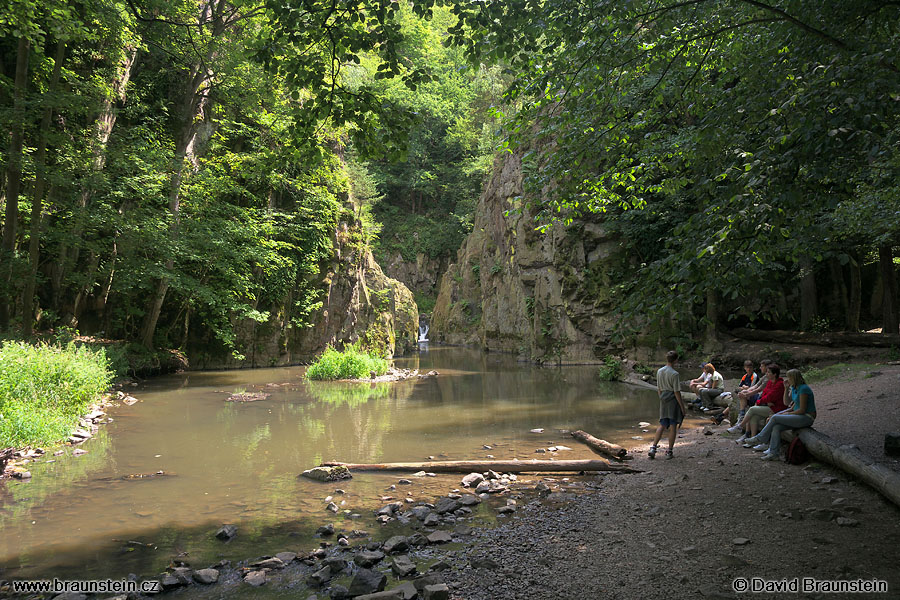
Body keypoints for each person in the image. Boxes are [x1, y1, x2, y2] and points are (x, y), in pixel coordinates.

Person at [744, 369, 816, 460]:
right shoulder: (794, 388)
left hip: (807, 417)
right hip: (797, 416)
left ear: (794, 378)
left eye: (789, 378)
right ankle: (774, 453)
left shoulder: (803, 389)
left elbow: (802, 410)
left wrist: (786, 414)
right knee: (776, 427)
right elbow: (787, 404)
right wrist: (786, 389)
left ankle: (759, 438)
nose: (787, 380)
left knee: (774, 418)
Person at [649, 350, 688, 459]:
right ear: (676, 360)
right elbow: (676, 392)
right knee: (673, 426)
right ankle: (669, 451)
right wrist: (682, 407)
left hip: (663, 399)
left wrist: (661, 398)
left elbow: (659, 388)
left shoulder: (660, 371)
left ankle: (653, 447)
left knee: (662, 424)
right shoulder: (675, 374)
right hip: (672, 400)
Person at [737, 363, 786, 444]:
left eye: (769, 372)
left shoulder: (779, 384)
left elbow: (769, 397)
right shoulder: (770, 382)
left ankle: (740, 426)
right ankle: (752, 439)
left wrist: (759, 401)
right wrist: (764, 401)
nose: (767, 374)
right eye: (767, 372)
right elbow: (764, 394)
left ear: (775, 374)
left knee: (752, 409)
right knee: (754, 417)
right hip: (769, 406)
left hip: (776, 409)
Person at [728, 358, 772, 430]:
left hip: (763, 398)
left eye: (762, 366)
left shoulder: (763, 377)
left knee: (750, 408)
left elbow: (758, 389)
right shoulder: (763, 377)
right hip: (759, 396)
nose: (760, 368)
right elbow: (756, 386)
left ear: (767, 367)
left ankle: (741, 424)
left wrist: (747, 394)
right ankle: (741, 416)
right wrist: (746, 391)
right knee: (742, 393)